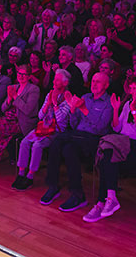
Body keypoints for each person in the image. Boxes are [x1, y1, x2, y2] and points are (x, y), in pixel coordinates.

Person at [83, 76, 136, 223]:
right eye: (130, 88)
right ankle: (109, 199)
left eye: (135, 88)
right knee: (108, 157)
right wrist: (115, 109)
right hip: (122, 144)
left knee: (108, 156)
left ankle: (101, 203)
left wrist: (134, 110)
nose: (132, 91)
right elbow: (117, 128)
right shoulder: (127, 104)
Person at [40, 72, 113, 212]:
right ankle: (58, 188)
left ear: (106, 85)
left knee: (62, 142)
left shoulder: (109, 103)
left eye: (98, 82)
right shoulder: (85, 97)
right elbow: (74, 124)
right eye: (93, 81)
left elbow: (100, 128)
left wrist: (84, 110)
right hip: (77, 135)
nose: (94, 84)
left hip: (94, 139)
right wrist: (73, 110)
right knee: (63, 147)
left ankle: (75, 194)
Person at [14, 69, 72, 191]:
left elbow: (61, 120)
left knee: (37, 145)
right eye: (54, 79)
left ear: (65, 83)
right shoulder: (49, 94)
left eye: (57, 80)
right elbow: (40, 116)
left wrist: (55, 104)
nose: (54, 82)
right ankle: (21, 173)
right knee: (24, 142)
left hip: (56, 131)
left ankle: (30, 176)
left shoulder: (68, 98)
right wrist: (47, 104)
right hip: (43, 127)